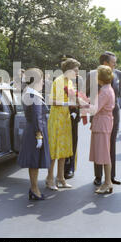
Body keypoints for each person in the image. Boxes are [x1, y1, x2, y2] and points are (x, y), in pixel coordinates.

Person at [87, 51, 121, 186]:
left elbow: (120, 94)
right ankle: (98, 176)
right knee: (98, 146)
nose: (115, 65)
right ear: (105, 63)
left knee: (111, 145)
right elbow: (87, 93)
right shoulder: (92, 75)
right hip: (98, 114)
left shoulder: (119, 74)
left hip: (113, 114)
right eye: (113, 62)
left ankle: (111, 176)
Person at [47, 58, 80, 190]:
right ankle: (49, 178)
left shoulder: (69, 82)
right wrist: (69, 103)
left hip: (65, 118)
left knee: (64, 150)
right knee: (54, 150)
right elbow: (52, 101)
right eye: (76, 70)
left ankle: (61, 178)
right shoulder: (59, 81)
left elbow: (71, 99)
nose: (78, 72)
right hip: (57, 119)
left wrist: (79, 101)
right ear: (69, 70)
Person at [17, 68, 51, 200]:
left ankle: (34, 188)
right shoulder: (34, 95)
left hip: (31, 129)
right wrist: (39, 135)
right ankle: (35, 189)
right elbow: (37, 117)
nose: (43, 82)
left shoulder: (28, 92)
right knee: (34, 162)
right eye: (42, 79)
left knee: (33, 162)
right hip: (35, 131)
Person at [85, 65, 116, 194]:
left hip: (102, 123)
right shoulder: (106, 89)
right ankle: (107, 182)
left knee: (104, 155)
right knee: (104, 154)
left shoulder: (104, 91)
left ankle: (108, 182)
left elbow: (94, 108)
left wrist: (80, 101)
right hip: (103, 122)